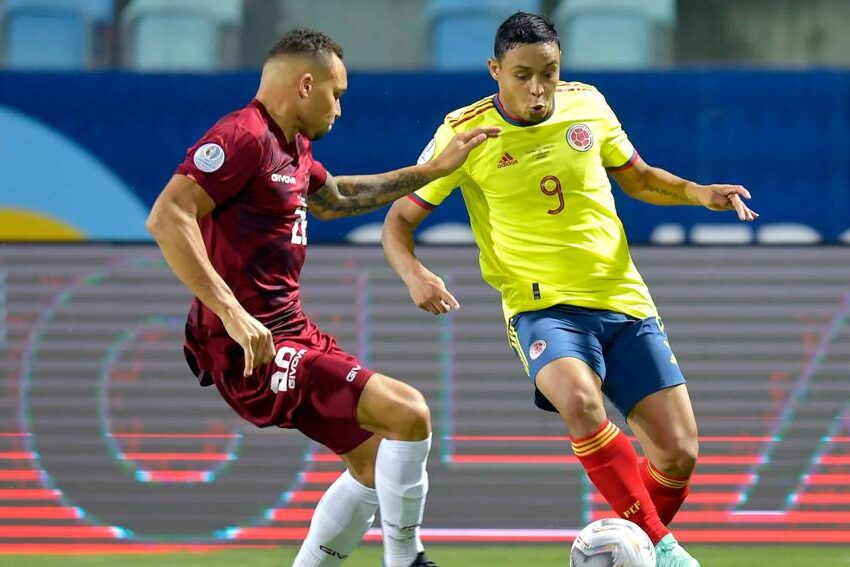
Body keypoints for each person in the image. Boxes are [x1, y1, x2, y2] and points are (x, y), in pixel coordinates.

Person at [382, 12, 758, 567]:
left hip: (622, 299)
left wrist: (698, 192)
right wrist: (415, 274)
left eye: (549, 72)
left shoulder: (589, 104)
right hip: (541, 308)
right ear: (495, 70)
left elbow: (640, 178)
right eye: (522, 74)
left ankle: (623, 554)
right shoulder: (465, 135)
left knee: (679, 453)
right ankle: (668, 552)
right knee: (579, 400)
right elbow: (397, 223)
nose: (538, 89)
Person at [146, 29, 498, 567]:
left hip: (289, 330)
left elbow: (334, 200)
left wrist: (430, 173)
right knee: (408, 413)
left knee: (375, 463)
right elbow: (168, 215)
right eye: (336, 94)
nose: (339, 108)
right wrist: (234, 314)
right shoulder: (242, 137)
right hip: (248, 344)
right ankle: (405, 560)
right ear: (305, 84)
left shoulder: (292, 145)